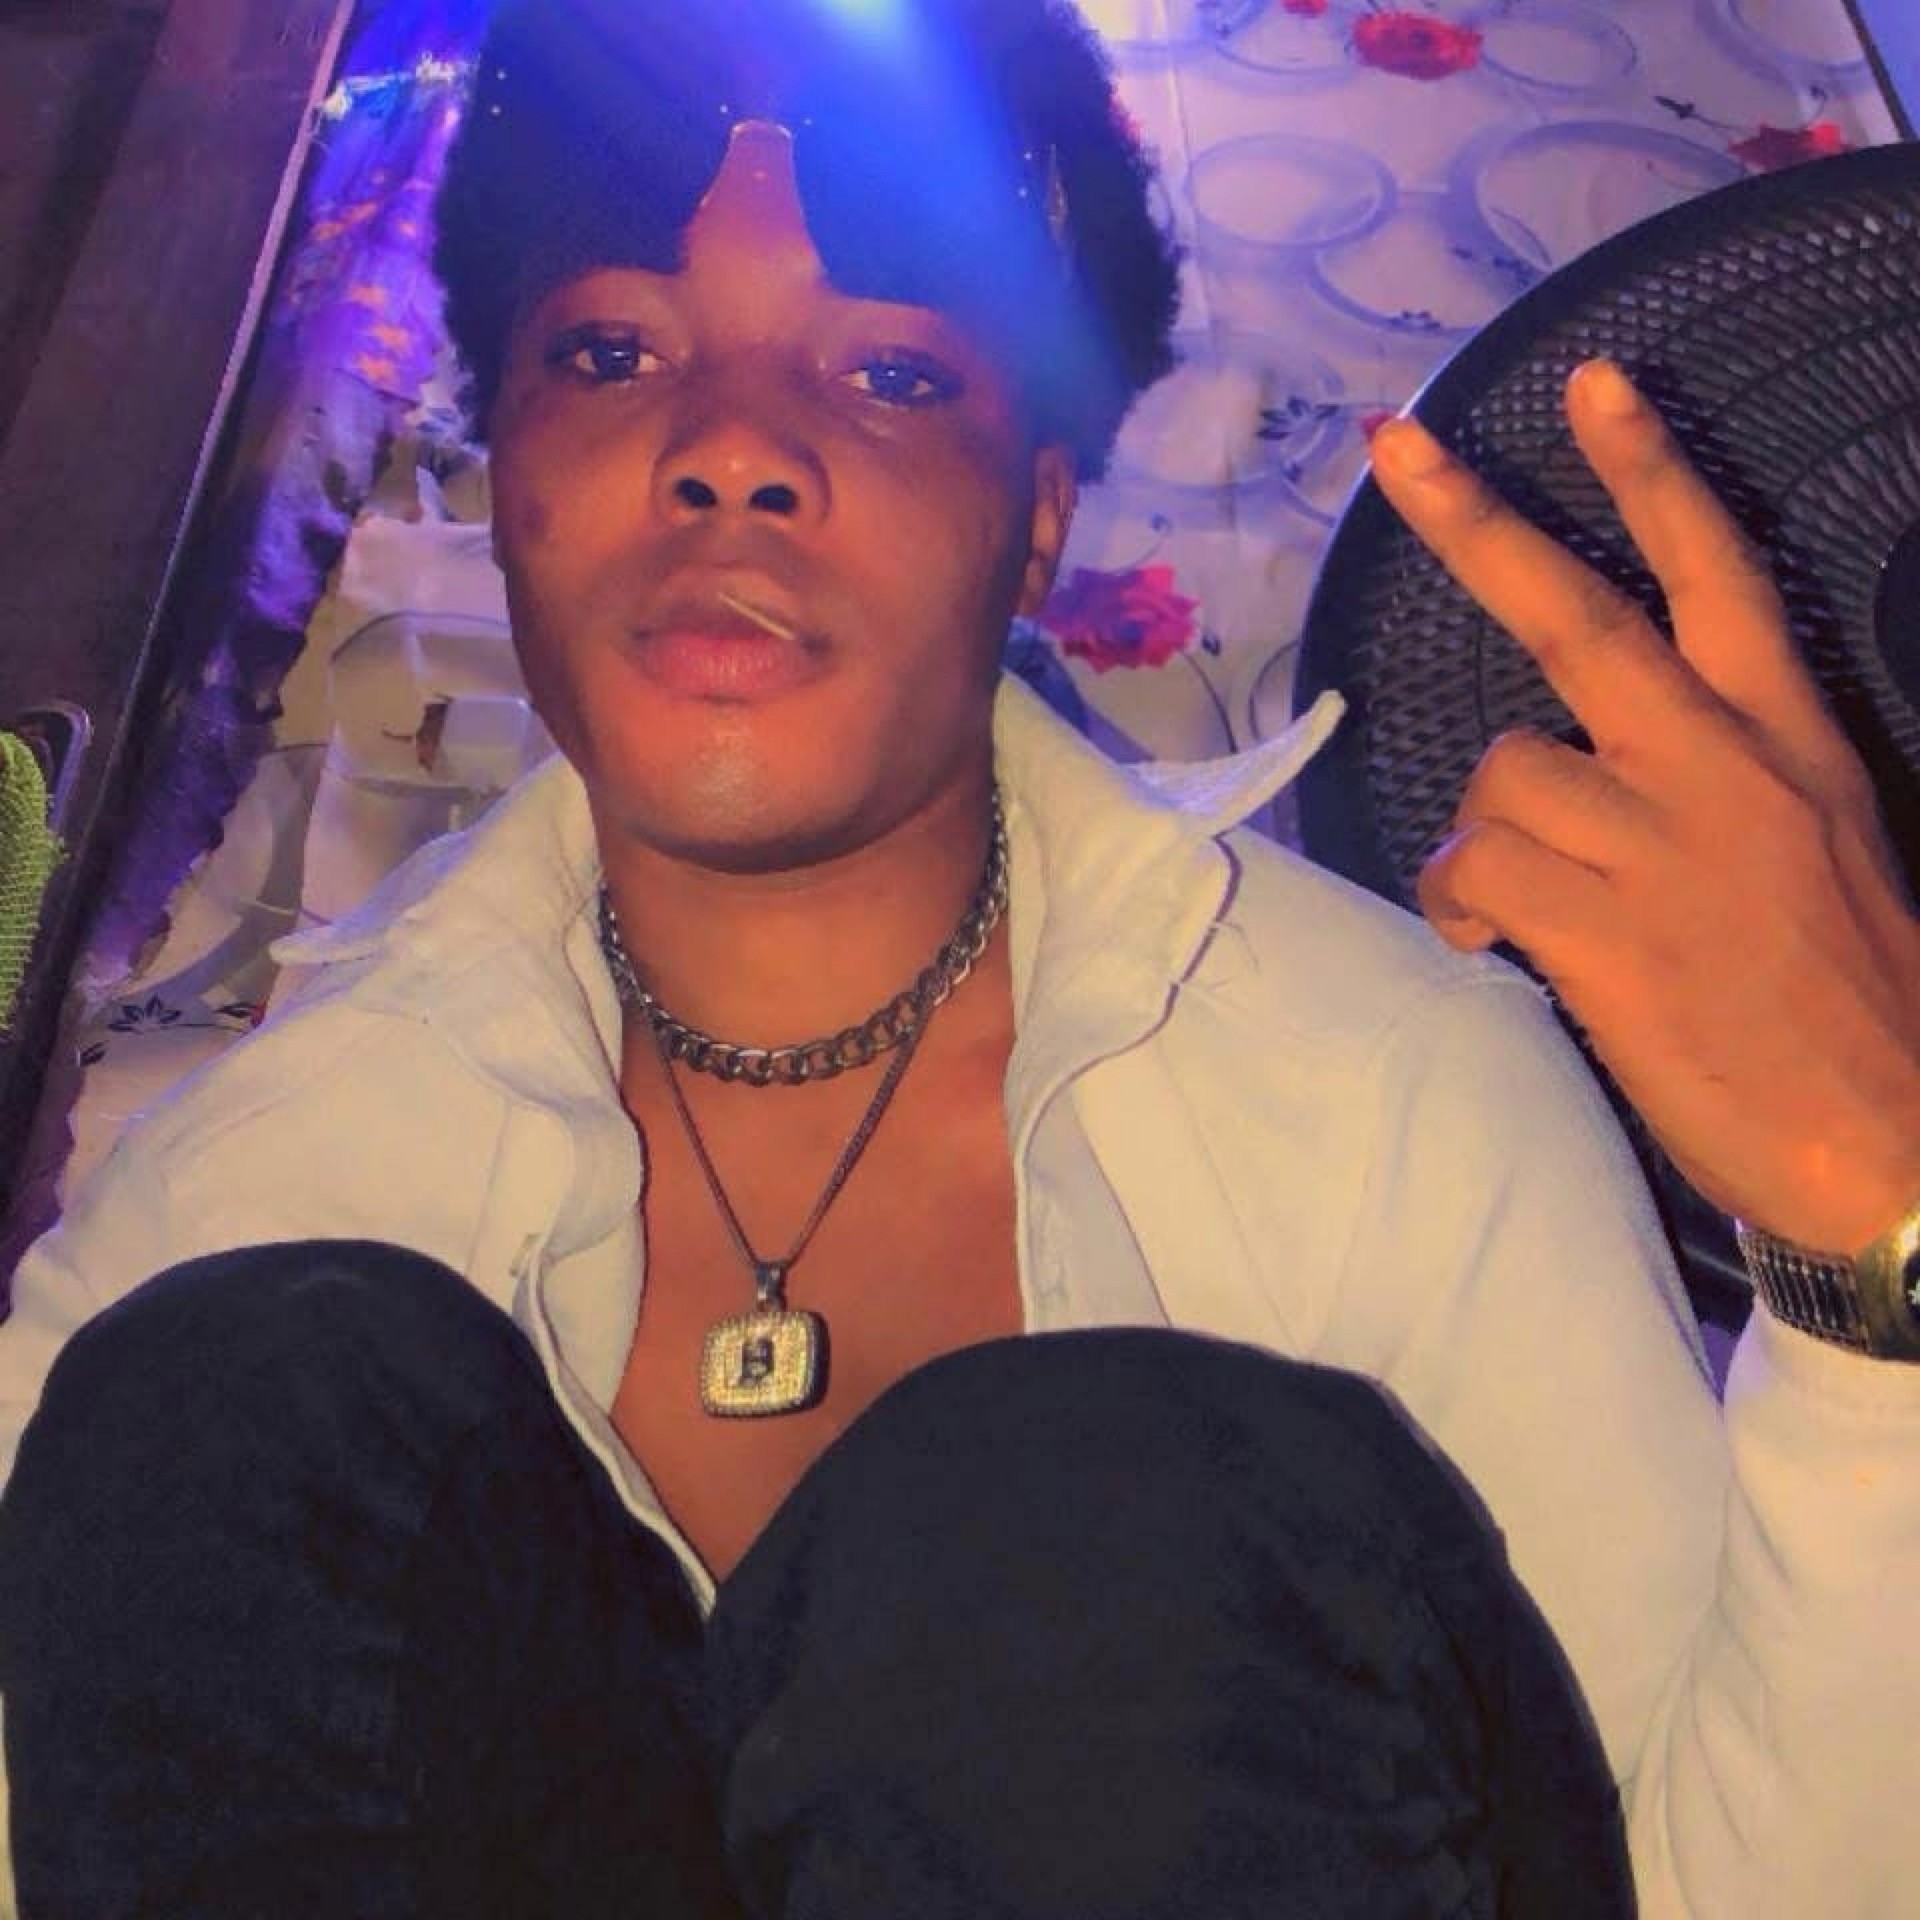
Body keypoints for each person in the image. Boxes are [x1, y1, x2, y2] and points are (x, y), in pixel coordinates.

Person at [0, 0, 1915, 1912]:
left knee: (1066, 1538)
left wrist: (1876, 1255)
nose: (730, 449)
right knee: (245, 1411)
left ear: (1038, 523)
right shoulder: (254, 1192)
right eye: (612, 352)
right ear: (507, 482)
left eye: (891, 375)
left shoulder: (1395, 1106)